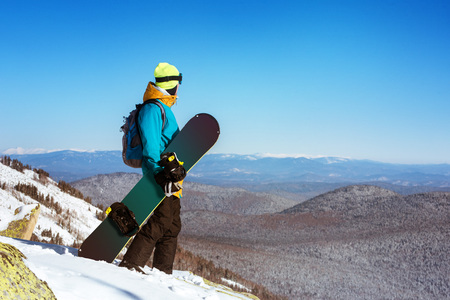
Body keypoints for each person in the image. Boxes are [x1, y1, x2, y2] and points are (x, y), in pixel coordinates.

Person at [119, 62, 184, 274]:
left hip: (171, 179)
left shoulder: (164, 109)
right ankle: (130, 264)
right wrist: (159, 175)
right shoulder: (152, 109)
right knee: (160, 221)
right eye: (179, 84)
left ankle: (162, 273)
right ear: (173, 85)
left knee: (172, 226)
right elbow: (151, 148)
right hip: (160, 178)